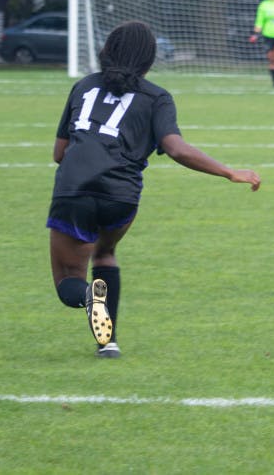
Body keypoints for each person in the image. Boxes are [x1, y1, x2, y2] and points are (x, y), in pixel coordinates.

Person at [47, 21, 261, 357]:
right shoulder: (157, 97)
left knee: (68, 280)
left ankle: (90, 297)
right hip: (121, 196)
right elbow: (176, 148)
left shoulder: (83, 86)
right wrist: (229, 172)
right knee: (105, 253)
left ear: (107, 51)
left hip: (74, 189)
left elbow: (59, 153)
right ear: (148, 60)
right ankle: (108, 343)